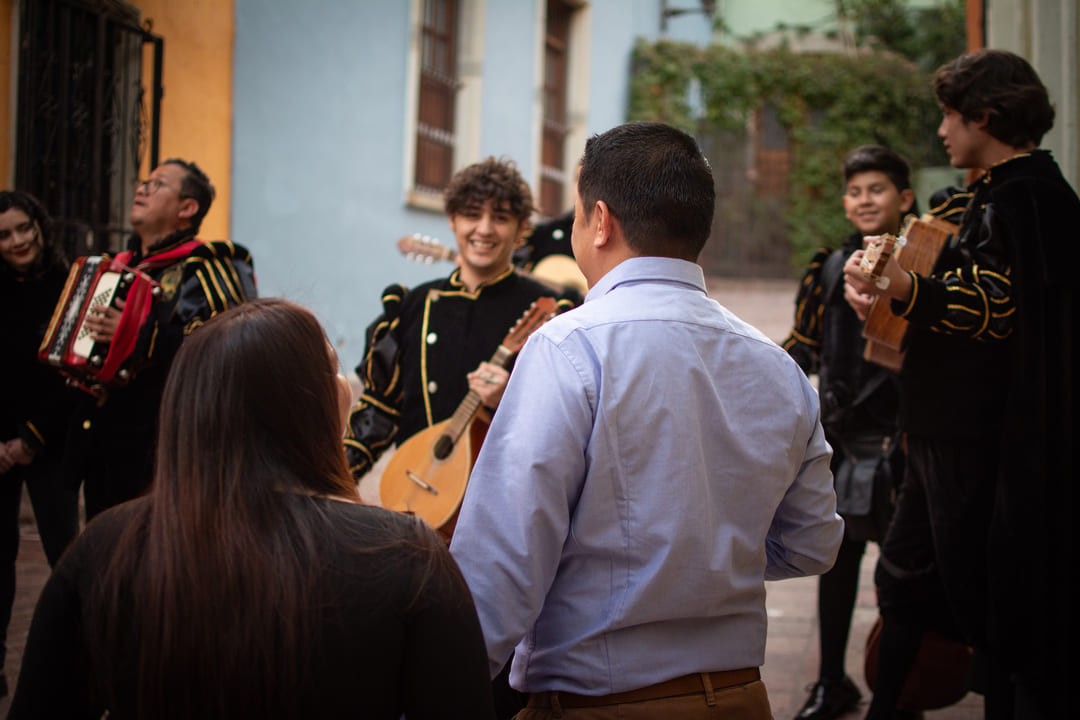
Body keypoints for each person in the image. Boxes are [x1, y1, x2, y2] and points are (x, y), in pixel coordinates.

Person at [449, 121, 844, 719]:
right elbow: (814, 543)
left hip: (601, 702)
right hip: (740, 698)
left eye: (577, 215)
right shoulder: (777, 367)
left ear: (599, 220)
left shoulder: (569, 348)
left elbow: (501, 563)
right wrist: (704, 554)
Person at [7, 298, 496, 720]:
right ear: (309, 405)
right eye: (333, 369)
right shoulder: (402, 553)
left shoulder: (107, 545)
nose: (348, 386)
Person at [843, 49, 1079, 720]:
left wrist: (902, 287)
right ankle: (890, 704)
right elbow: (949, 297)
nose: (942, 130)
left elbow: (999, 309)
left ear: (985, 116)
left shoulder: (1029, 197)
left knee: (994, 601)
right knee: (907, 575)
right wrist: (886, 299)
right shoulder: (984, 193)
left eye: (950, 115)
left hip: (986, 440)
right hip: (940, 429)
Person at [782, 146, 916, 720]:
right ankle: (831, 682)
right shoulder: (828, 268)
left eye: (877, 189)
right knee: (835, 565)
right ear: (845, 201)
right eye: (856, 191)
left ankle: (902, 691)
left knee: (900, 577)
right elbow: (803, 347)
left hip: (900, 444)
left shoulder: (922, 272)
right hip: (840, 438)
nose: (865, 200)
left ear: (904, 200)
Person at [343, 156, 576, 479]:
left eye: (501, 217)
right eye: (471, 215)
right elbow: (378, 410)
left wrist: (507, 399)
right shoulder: (413, 305)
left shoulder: (551, 310)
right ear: (452, 220)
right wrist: (337, 479)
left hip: (505, 500)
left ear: (522, 228)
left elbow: (567, 419)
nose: (484, 228)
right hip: (415, 493)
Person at [69, 158, 256, 518]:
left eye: (157, 185)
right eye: (143, 182)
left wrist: (140, 336)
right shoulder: (118, 265)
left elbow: (230, 347)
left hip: (164, 448)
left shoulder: (210, 263)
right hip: (105, 445)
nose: (141, 189)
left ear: (187, 208)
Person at [0, 191, 80, 699]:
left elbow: (70, 369)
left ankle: (78, 664)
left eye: (24, 228)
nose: (18, 241)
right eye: (4, 235)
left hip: (50, 443)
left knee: (67, 558)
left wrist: (30, 438)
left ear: (40, 225)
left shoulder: (68, 283)